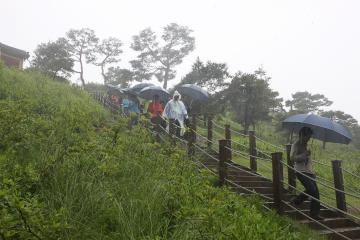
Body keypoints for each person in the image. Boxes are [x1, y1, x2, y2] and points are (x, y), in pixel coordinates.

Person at [290, 127, 322, 220]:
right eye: (307, 136)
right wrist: (304, 154)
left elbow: (308, 160)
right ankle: (296, 200)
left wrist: (312, 170)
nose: (309, 139)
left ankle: (314, 214)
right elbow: (292, 158)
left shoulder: (307, 145)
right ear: (302, 135)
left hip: (309, 171)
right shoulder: (296, 145)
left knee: (316, 193)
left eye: (309, 137)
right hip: (300, 171)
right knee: (311, 189)